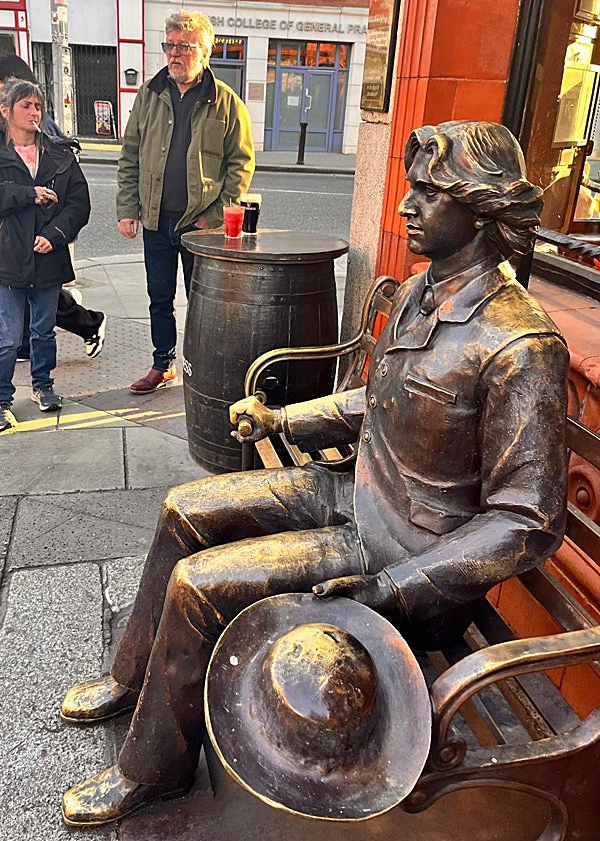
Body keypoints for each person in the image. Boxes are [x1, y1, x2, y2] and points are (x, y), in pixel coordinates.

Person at [59, 120, 569, 827]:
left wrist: (394, 586)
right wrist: (283, 420)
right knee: (183, 507)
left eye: (428, 192)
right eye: (411, 189)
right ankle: (131, 675)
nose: (405, 205)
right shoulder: (422, 292)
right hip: (355, 492)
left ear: (480, 209)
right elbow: (378, 399)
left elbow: (527, 519)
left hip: (406, 555)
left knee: (200, 584)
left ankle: (152, 769)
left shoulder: (519, 342)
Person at [117, 10, 255, 394]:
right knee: (159, 297)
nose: (175, 53)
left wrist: (214, 215)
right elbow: (130, 156)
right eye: (170, 45)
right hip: (156, 220)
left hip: (200, 225)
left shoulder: (226, 102)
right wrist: (128, 208)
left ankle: (201, 365)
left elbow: (241, 165)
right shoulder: (149, 95)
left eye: (184, 46)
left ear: (205, 52)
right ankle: (163, 364)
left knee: (203, 302)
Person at [0, 79, 90, 432]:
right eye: (26, 106)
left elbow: (79, 203)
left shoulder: (59, 153)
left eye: (37, 106)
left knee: (43, 331)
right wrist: (26, 193)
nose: (34, 112)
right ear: (6, 111)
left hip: (48, 258)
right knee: (7, 336)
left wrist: (55, 235)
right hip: (6, 258)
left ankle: (43, 385)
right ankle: (0, 399)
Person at [0, 53, 107, 361]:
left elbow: (72, 196)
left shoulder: (41, 130)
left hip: (41, 235)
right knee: (20, 303)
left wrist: (55, 230)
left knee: (43, 304)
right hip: (7, 233)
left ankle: (80, 329)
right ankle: (17, 347)